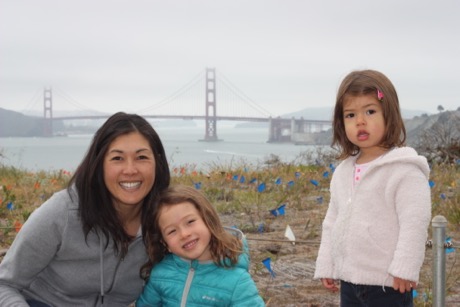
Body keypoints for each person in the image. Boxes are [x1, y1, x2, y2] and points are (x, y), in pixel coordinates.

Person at [0, 112, 170, 306]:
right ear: (98, 164)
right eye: (117, 158)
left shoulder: (167, 220)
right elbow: (5, 284)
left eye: (141, 157)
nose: (130, 170)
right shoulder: (62, 213)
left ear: (157, 162)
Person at [313, 70, 431, 306]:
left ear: (389, 115)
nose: (360, 121)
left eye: (370, 111)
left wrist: (405, 267)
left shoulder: (404, 170)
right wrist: (327, 264)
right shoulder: (343, 172)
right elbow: (332, 221)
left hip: (388, 283)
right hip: (349, 281)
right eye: (350, 115)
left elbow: (414, 221)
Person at [136, 184, 265, 307]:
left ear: (208, 220)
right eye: (172, 231)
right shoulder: (161, 273)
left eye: (190, 221)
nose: (184, 234)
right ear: (165, 243)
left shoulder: (237, 281)